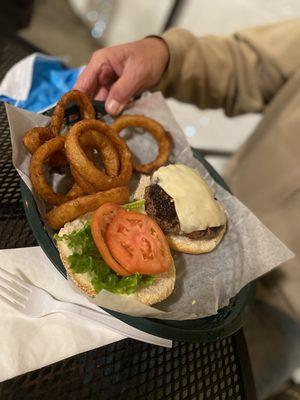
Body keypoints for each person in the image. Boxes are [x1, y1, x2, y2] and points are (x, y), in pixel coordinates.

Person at [75, 19, 300, 398]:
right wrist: (167, 55)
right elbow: (248, 63)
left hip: (286, 307)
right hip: (227, 209)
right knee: (85, 350)